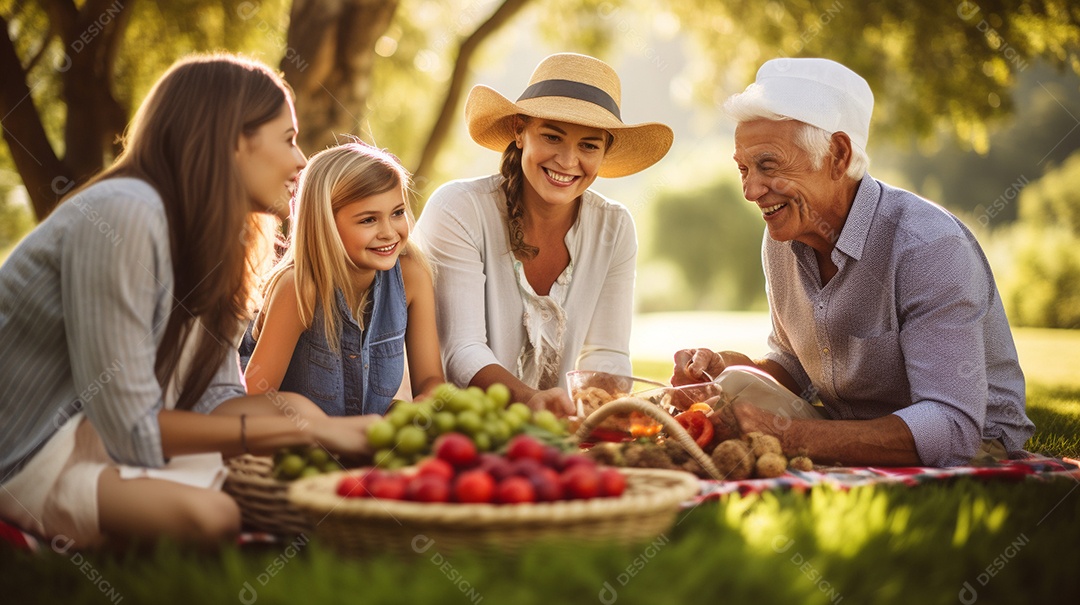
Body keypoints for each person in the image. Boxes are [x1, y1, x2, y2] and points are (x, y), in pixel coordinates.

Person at [0, 54, 378, 549]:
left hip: (102, 435)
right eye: (287, 139)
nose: (301, 160)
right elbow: (132, 432)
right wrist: (319, 434)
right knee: (212, 518)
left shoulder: (221, 244)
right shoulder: (125, 214)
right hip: (31, 450)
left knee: (279, 441)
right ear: (233, 141)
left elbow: (216, 401)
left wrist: (314, 420)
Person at [672, 58, 1034, 467]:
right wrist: (719, 366)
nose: (751, 190)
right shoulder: (783, 236)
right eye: (743, 168)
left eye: (768, 166)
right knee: (731, 384)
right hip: (850, 423)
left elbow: (952, 427)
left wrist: (783, 435)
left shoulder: (928, 246)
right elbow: (794, 366)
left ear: (838, 155)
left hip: (973, 445)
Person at [415, 53, 673, 415]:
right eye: (552, 136)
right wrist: (530, 399)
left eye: (589, 145)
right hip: (456, 428)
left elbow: (607, 353)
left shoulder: (614, 227)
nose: (568, 161)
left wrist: (597, 412)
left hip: (551, 438)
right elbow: (461, 349)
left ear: (604, 152)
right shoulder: (459, 209)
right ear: (520, 131)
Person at [240, 143, 444, 414]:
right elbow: (252, 404)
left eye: (397, 213)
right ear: (326, 224)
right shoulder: (300, 288)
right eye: (368, 220)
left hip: (362, 447)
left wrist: (423, 405)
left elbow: (430, 379)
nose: (389, 232)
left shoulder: (411, 274)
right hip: (294, 445)